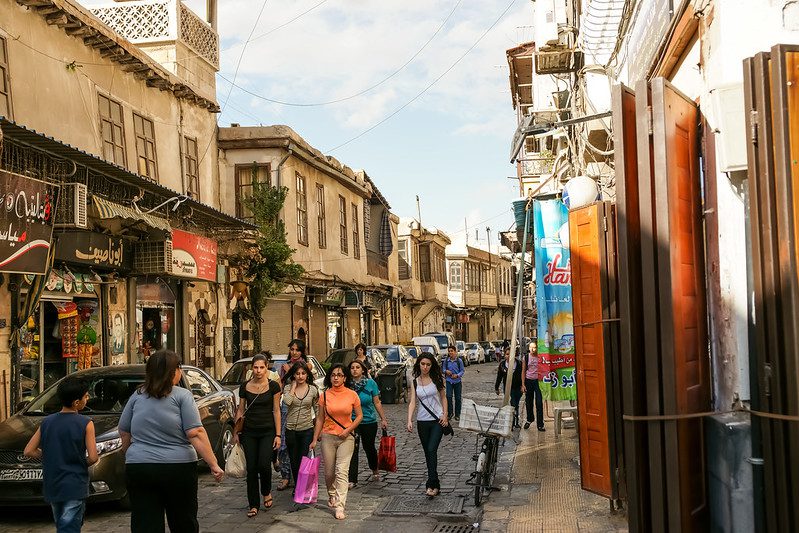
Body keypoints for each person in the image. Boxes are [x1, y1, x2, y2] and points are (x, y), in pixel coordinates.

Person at [118, 350, 224, 533]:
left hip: (140, 468)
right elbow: (195, 432)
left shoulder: (137, 395)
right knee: (183, 520)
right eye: (179, 368)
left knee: (145, 522)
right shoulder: (182, 396)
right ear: (172, 372)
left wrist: (131, 454)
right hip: (178, 468)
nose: (180, 372)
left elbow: (124, 431)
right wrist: (213, 463)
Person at [24, 378, 98, 533]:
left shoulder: (47, 422)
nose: (88, 398)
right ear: (76, 402)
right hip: (75, 483)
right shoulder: (86, 423)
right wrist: (79, 463)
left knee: (61, 523)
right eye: (86, 396)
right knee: (69, 526)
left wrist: (50, 455)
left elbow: (29, 451)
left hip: (53, 483)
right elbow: (93, 457)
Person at [310, 363, 363, 520]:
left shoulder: (352, 394)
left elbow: (359, 416)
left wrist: (348, 430)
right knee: (329, 473)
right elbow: (320, 418)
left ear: (345, 378)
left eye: (339, 375)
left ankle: (340, 505)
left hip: (346, 438)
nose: (336, 378)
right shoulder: (324, 396)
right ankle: (331, 494)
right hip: (328, 436)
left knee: (341, 471)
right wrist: (315, 438)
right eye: (333, 375)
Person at [233, 353, 282, 518]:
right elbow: (240, 410)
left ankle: (266, 491)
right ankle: (253, 504)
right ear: (251, 368)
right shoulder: (244, 387)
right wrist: (236, 431)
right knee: (252, 468)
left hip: (268, 431)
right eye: (256, 367)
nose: (259, 370)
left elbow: (276, 410)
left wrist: (278, 434)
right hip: (249, 431)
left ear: (267, 367)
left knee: (263, 464)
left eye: (262, 367)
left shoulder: (274, 386)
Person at [406, 353, 449, 497]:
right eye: (423, 364)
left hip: (437, 420)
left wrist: (445, 414)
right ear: (419, 364)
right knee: (428, 453)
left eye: (428, 364)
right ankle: (434, 482)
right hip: (422, 421)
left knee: (431, 449)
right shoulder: (415, 382)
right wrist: (409, 419)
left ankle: (432, 484)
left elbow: (444, 397)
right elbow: (413, 401)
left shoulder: (437, 379)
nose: (425, 367)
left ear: (432, 366)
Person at [347, 359, 387, 488]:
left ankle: (374, 468)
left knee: (368, 447)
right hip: (352, 422)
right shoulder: (347, 384)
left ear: (363, 369)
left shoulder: (371, 383)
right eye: (352, 367)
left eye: (357, 367)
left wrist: (383, 419)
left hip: (369, 421)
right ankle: (352, 479)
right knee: (353, 449)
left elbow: (376, 402)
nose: (354, 370)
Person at [282, 361, 319, 500]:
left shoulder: (313, 390)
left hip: (307, 429)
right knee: (294, 460)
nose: (300, 376)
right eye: (297, 373)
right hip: (291, 429)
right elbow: (287, 402)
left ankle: (302, 488)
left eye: (303, 373)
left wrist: (317, 433)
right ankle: (298, 484)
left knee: (304, 460)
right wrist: (292, 386)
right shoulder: (287, 388)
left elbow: (317, 410)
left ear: (307, 374)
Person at [276, 339, 307, 491]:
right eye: (292, 349)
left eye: (297, 350)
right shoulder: (284, 364)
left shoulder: (305, 366)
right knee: (283, 444)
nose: (294, 352)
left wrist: (290, 370)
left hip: (301, 408)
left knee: (299, 447)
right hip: (286, 405)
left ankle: (298, 477)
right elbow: (281, 386)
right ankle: (285, 476)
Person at [495, 346, 524, 429]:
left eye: (510, 354)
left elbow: (523, 375)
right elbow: (499, 377)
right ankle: (511, 422)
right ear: (504, 355)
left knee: (516, 404)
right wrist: (496, 388)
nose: (508, 356)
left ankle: (516, 421)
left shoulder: (519, 364)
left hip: (518, 387)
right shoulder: (502, 365)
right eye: (507, 354)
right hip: (508, 387)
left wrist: (523, 385)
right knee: (512, 403)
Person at [521, 342, 545, 431]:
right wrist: (523, 384)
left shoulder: (540, 357)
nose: (532, 349)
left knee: (539, 403)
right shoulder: (526, 357)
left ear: (537, 348)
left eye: (534, 348)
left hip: (538, 382)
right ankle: (529, 419)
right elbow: (523, 371)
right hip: (529, 380)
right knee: (529, 402)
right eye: (531, 348)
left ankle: (540, 424)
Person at [441, 345, 465, 421]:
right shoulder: (446, 361)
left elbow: (462, 370)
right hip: (449, 381)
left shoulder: (459, 361)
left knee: (458, 398)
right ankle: (450, 413)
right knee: (448, 397)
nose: (450, 352)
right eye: (449, 351)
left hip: (457, 382)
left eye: (452, 351)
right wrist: (446, 371)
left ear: (455, 352)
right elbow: (443, 369)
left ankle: (457, 414)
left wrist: (457, 375)